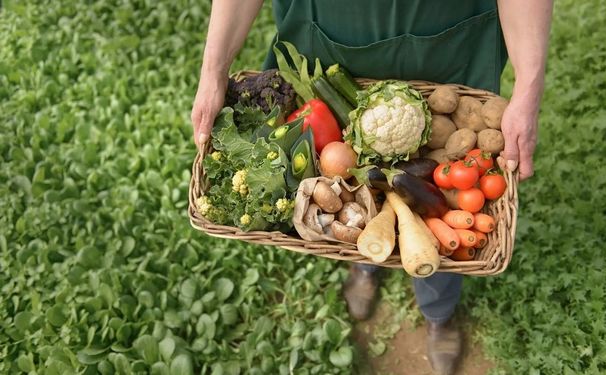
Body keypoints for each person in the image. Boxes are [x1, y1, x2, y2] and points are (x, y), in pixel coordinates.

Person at [191, 1, 553, 373]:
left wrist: (529, 87)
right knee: (351, 192)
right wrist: (213, 70)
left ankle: (438, 309)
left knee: (441, 207)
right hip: (329, 42)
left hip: (446, 47)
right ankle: (365, 262)